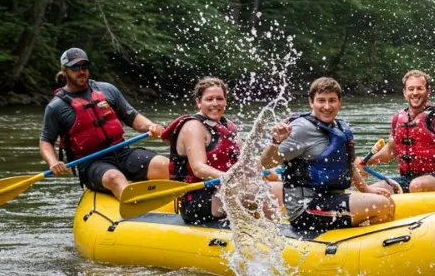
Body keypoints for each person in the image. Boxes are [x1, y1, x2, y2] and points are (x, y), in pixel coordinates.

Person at [261, 77, 394, 232]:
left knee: (387, 202)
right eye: (321, 100)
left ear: (340, 102)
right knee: (382, 206)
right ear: (311, 102)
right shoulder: (300, 129)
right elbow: (267, 163)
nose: (327, 106)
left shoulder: (339, 128)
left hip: (330, 200)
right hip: (306, 209)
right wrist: (276, 142)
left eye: (332, 100)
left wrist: (367, 190)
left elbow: (348, 165)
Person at [39, 48, 168, 199]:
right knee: (115, 177)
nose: (81, 71)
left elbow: (132, 117)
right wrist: (53, 161)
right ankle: (136, 213)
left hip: (121, 152)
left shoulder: (107, 90)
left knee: (164, 164)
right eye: (75, 67)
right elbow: (46, 141)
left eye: (84, 66)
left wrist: (150, 126)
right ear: (64, 70)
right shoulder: (56, 107)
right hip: (91, 163)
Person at [161, 77, 281, 224]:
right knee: (254, 192)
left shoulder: (227, 126)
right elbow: (199, 168)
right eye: (209, 99)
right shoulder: (193, 127)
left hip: (225, 190)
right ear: (199, 102)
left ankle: (277, 229)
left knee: (278, 188)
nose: (215, 104)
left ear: (225, 101)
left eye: (220, 99)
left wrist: (275, 143)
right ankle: (275, 233)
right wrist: (233, 179)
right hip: (198, 200)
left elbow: (249, 163)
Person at [355, 70, 435, 193]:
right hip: (405, 179)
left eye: (420, 88)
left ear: (428, 91)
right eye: (411, 89)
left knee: (416, 185)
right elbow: (390, 150)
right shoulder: (398, 119)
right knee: (369, 191)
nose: (415, 93)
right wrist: (367, 162)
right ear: (405, 93)